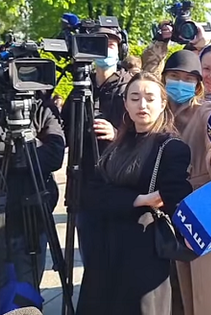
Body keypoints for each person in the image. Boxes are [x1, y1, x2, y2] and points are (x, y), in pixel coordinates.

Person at [76, 71, 193, 315]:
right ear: (126, 104)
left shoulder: (171, 148)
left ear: (162, 104)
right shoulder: (118, 144)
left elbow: (176, 198)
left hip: (142, 251)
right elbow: (92, 193)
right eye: (135, 97)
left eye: (150, 98)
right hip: (104, 249)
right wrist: (138, 199)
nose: (142, 105)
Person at [0, 69, 66, 313]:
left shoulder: (42, 106)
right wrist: (30, 146)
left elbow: (55, 154)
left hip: (30, 219)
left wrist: (4, 145)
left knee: (25, 302)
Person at [161, 50, 211, 315]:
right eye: (174, 77)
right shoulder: (157, 111)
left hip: (201, 210)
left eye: (187, 78)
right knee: (175, 292)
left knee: (207, 293)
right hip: (164, 210)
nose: (180, 83)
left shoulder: (205, 112)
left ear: (197, 85)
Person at [61, 24, 132, 262]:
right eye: (99, 44)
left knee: (117, 261)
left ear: (120, 49)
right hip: (84, 189)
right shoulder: (81, 86)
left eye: (110, 44)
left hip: (117, 185)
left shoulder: (130, 87)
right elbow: (65, 130)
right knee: (91, 260)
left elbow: (149, 134)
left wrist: (117, 134)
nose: (105, 50)